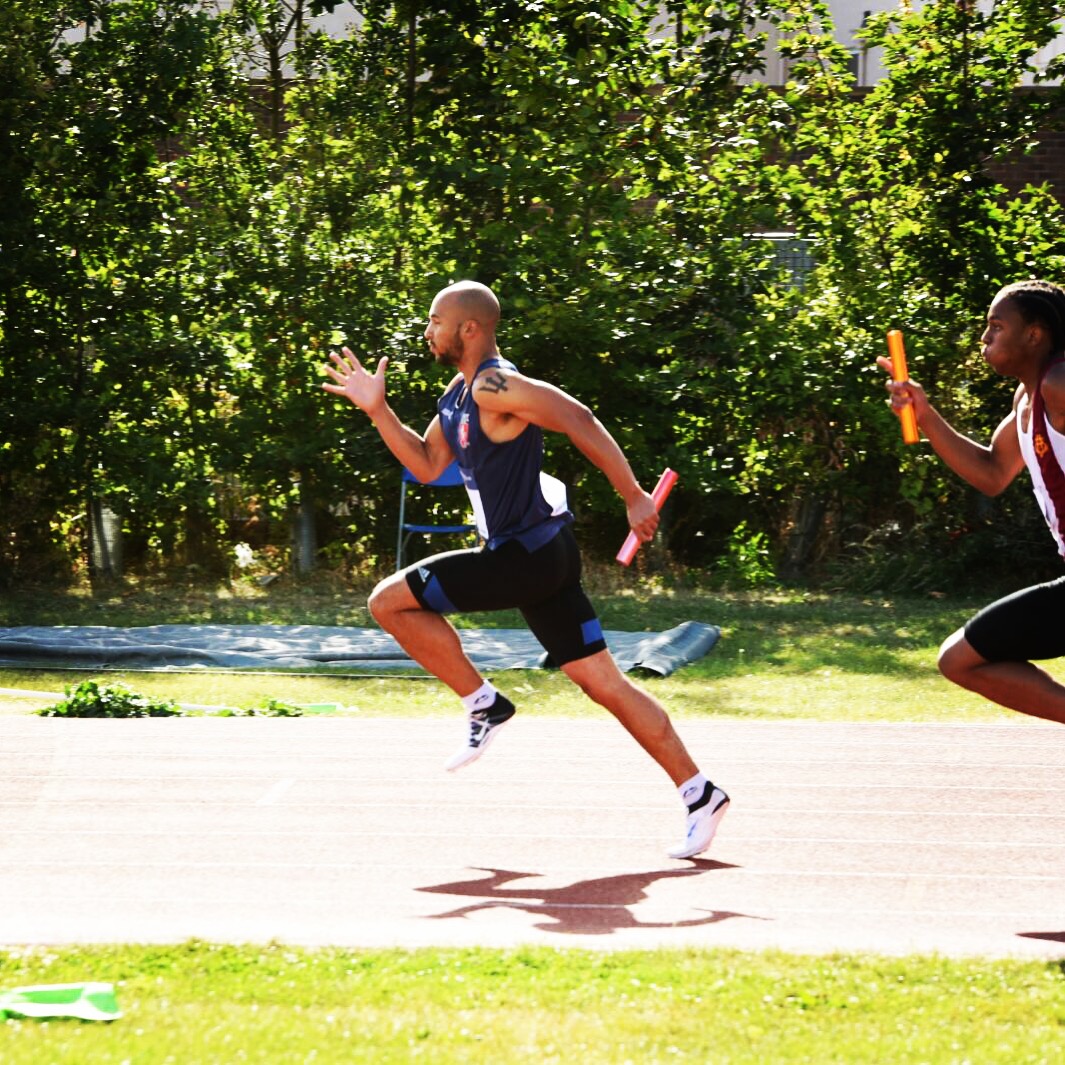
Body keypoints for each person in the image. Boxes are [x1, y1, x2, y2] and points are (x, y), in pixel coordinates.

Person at [323, 280, 729, 858]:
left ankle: (484, 702)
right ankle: (700, 792)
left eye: (436, 321)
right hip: (542, 557)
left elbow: (578, 417)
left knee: (388, 602)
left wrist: (634, 496)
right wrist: (378, 410)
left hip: (525, 556)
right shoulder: (459, 393)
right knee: (605, 685)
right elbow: (428, 463)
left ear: (468, 328)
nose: (427, 331)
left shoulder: (496, 386)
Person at [878, 279, 1065, 724]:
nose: (984, 337)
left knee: (960, 659)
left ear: (1034, 334)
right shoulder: (1030, 397)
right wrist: (924, 415)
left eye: (996, 326)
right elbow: (992, 472)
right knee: (960, 660)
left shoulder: (1059, 382)